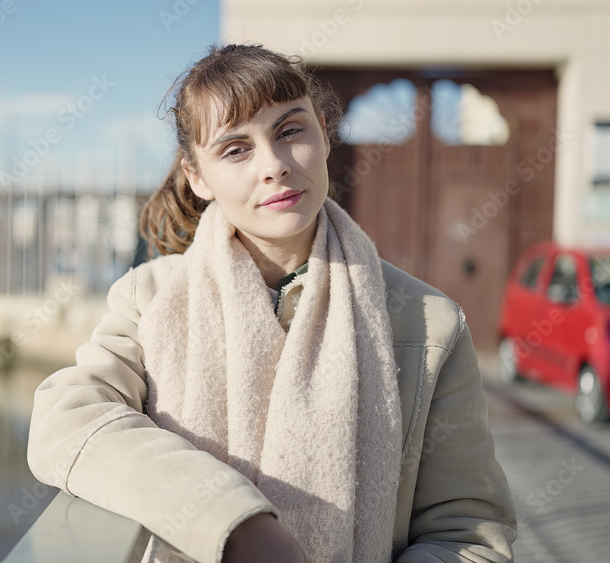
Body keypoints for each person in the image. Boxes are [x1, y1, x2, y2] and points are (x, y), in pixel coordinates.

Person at [26, 44, 517, 563]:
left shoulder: (430, 324)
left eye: (290, 131)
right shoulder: (149, 300)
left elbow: (469, 533)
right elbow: (66, 418)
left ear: (325, 135)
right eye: (236, 150)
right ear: (198, 177)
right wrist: (232, 523)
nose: (275, 166)